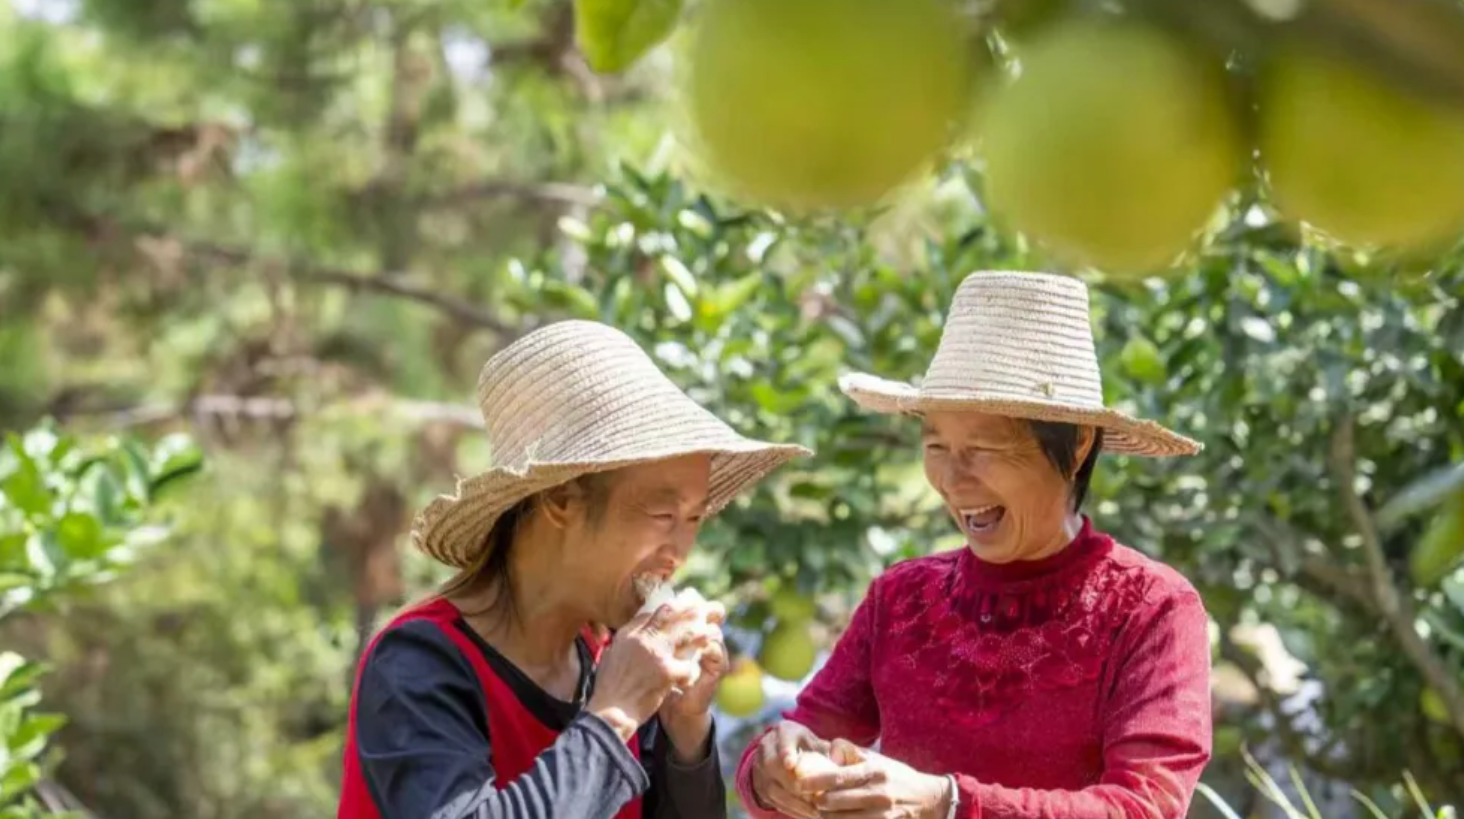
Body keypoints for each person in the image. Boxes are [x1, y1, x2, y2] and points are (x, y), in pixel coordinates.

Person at [738, 271, 1213, 819]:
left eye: (984, 447)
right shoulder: (901, 598)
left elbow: (1145, 808)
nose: (952, 478)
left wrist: (949, 804)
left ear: (1078, 446)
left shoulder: (1152, 609)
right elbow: (804, 733)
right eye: (936, 445)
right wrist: (774, 769)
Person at [337, 320, 809, 819]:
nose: (680, 550)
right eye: (662, 515)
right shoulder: (419, 664)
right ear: (561, 500)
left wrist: (684, 733)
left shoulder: (614, 657)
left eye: (694, 518)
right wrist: (614, 713)